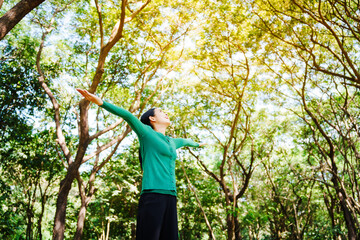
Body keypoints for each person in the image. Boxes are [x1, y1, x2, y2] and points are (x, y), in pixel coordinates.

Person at [76, 88, 205, 240]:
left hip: (171, 197)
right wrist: (99, 101)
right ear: (152, 118)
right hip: (153, 196)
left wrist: (198, 144)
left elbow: (185, 141)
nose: (166, 113)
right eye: (161, 111)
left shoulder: (172, 142)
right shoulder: (146, 133)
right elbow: (127, 115)